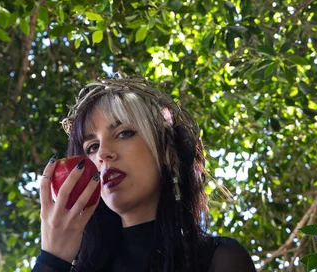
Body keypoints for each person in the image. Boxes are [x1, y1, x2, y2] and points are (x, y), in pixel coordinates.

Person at [33, 75, 256, 272]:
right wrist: (52, 259)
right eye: (91, 147)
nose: (103, 153)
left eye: (124, 133)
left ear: (165, 150)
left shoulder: (220, 259)